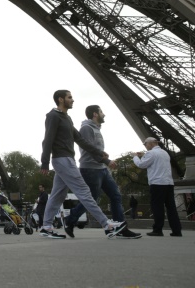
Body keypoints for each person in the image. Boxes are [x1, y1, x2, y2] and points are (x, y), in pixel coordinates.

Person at [39, 90, 125, 239]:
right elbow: (47, 140)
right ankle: (107, 225)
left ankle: (46, 227)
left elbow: (80, 139)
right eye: (69, 97)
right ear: (61, 99)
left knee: (57, 195)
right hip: (63, 159)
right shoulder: (53, 116)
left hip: (67, 159)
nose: (73, 100)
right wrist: (44, 162)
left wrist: (101, 155)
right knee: (84, 191)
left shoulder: (66, 118)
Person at [61, 105, 141, 239]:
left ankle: (119, 227)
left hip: (101, 169)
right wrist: (107, 161)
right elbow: (89, 148)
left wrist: (105, 163)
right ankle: (70, 219)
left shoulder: (96, 128)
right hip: (90, 169)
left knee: (115, 196)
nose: (104, 114)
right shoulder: (86, 128)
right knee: (92, 200)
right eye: (101, 111)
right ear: (95, 114)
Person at [133, 137, 183, 237]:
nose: (145, 146)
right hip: (168, 183)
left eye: (145, 144)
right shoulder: (164, 153)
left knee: (157, 207)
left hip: (157, 183)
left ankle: (158, 229)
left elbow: (141, 165)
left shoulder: (151, 153)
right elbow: (155, 160)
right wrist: (144, 155)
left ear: (151, 143)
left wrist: (135, 157)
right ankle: (176, 230)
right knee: (171, 208)